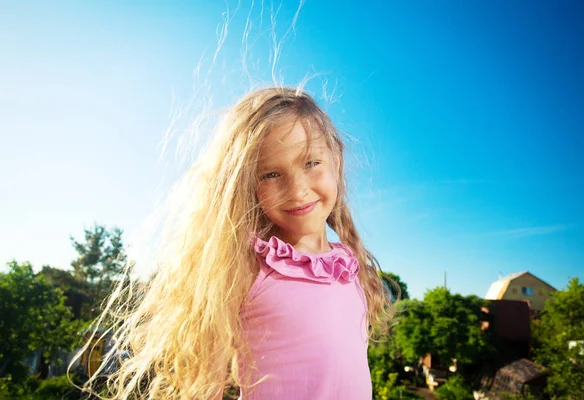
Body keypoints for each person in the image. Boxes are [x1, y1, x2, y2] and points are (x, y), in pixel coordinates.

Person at [80, 87, 394, 399]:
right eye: (271, 174)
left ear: (336, 160)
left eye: (311, 163)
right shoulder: (244, 269)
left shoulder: (350, 268)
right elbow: (207, 389)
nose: (298, 190)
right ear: (246, 184)